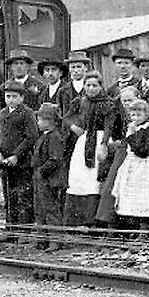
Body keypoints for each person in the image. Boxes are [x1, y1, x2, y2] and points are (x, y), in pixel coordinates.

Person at [62, 71, 119, 226]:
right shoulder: (81, 101)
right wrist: (74, 127)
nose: (91, 88)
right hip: (85, 141)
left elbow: (109, 126)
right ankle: (79, 220)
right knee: (81, 177)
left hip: (100, 140)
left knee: (96, 178)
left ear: (100, 86)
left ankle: (96, 220)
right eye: (88, 85)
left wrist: (104, 144)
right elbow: (66, 117)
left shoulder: (108, 103)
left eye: (95, 85)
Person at [111, 99, 149, 235]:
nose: (135, 118)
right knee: (130, 197)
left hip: (143, 167)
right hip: (131, 165)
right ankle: (132, 229)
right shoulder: (133, 127)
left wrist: (131, 135)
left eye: (139, 115)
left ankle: (147, 229)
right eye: (133, 115)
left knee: (144, 197)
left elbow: (143, 151)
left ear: (146, 114)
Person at [0, 81, 39, 227]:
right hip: (5, 162)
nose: (11, 100)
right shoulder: (2, 113)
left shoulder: (27, 113)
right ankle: (10, 227)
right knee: (9, 196)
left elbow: (31, 137)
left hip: (22, 162)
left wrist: (16, 155)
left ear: (22, 98)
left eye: (14, 96)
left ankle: (24, 228)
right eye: (8, 96)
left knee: (23, 196)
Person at [95, 86, 140, 228]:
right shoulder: (118, 115)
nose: (126, 104)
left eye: (130, 100)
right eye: (124, 101)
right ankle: (111, 222)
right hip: (120, 154)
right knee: (112, 186)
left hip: (135, 155)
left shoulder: (142, 115)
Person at [31, 103, 67, 249]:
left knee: (50, 210)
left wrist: (41, 171)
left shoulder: (54, 137)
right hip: (41, 179)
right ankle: (42, 240)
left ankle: (55, 241)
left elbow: (55, 159)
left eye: (39, 120)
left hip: (49, 179)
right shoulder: (45, 136)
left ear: (49, 121)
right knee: (40, 209)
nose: (38, 123)